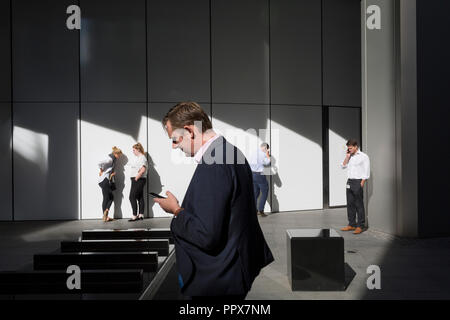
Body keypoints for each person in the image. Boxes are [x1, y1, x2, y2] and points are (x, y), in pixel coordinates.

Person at [154, 102, 274, 300]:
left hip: (218, 278)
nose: (174, 146)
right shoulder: (230, 152)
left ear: (189, 131)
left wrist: (176, 210)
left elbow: (206, 235)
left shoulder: (215, 162)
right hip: (233, 269)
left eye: (175, 139)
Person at [340, 139, 370, 235]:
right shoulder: (350, 156)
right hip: (349, 181)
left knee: (359, 204)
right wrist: (347, 157)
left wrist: (362, 182)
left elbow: (366, 170)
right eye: (348, 148)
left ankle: (360, 226)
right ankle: (351, 224)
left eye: (351, 148)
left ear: (356, 146)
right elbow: (342, 166)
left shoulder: (364, 157)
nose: (349, 149)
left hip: (358, 182)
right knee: (350, 204)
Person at [98, 146, 122, 222]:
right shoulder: (110, 159)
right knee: (110, 197)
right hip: (105, 180)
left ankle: (105, 216)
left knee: (106, 198)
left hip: (103, 181)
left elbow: (108, 170)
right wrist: (101, 170)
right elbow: (99, 163)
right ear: (115, 153)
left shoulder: (113, 159)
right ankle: (106, 212)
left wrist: (111, 174)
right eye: (119, 155)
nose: (119, 157)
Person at [248, 142, 271, 216]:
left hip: (252, 174)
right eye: (267, 149)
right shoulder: (263, 153)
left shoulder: (254, 152)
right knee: (265, 191)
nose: (267, 150)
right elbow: (268, 162)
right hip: (259, 175)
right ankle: (261, 210)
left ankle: (254, 210)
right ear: (265, 148)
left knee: (255, 193)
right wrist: (267, 154)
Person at [128, 142, 148, 221]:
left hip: (139, 179)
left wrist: (136, 178)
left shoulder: (142, 157)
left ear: (138, 150)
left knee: (132, 197)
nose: (133, 152)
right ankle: (141, 215)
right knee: (140, 197)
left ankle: (134, 215)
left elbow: (143, 169)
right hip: (138, 179)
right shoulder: (139, 158)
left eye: (134, 150)